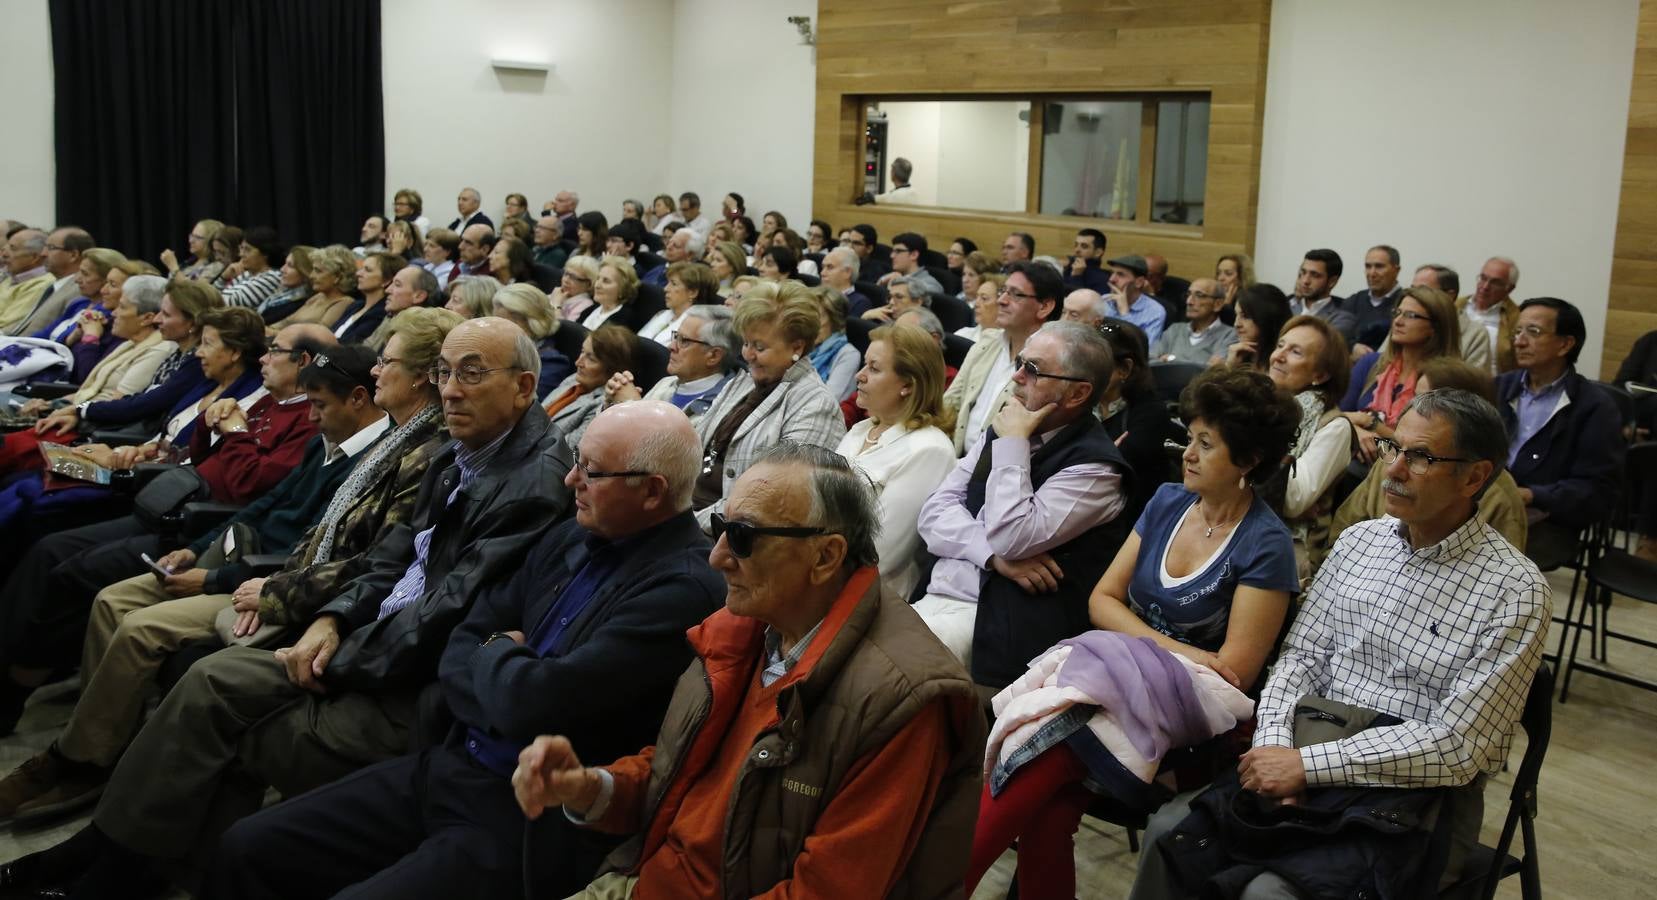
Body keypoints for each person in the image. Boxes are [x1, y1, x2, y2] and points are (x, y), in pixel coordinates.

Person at [0, 319, 576, 898]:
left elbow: (449, 612)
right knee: (202, 672)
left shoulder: (530, 484)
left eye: (471, 374)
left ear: (525, 387)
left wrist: (339, 651)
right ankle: (115, 850)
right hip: (367, 627)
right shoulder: (466, 446)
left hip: (411, 673)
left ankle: (119, 859)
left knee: (213, 684)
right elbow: (393, 556)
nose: (450, 388)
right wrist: (335, 617)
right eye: (444, 373)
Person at [207, 402, 726, 900]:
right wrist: (504, 670)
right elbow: (463, 639)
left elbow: (539, 703)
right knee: (247, 847)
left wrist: (496, 655)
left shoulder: (685, 589)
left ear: (653, 491)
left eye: (592, 471)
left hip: (524, 813)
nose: (571, 480)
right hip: (453, 760)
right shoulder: (572, 536)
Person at [511, 443, 986, 899]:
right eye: (720, 527)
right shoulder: (741, 630)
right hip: (644, 879)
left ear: (825, 557)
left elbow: (827, 890)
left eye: (744, 537)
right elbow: (676, 774)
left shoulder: (903, 699)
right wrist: (591, 788)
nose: (716, 556)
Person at [1131, 389, 1551, 900]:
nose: (1393, 469)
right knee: (1168, 837)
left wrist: (1307, 766)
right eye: (1394, 447)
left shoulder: (1515, 588)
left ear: (1475, 476)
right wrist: (1273, 744)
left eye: (1420, 457)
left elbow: (1459, 746)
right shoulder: (1360, 542)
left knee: (1269, 894)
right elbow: (1299, 659)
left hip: (1412, 794)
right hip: (1303, 745)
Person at [0, 345, 390, 824]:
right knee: (110, 599)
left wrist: (213, 577)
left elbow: (310, 555)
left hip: (261, 580)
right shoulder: (324, 442)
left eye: (320, 405)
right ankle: (100, 736)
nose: (311, 415)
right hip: (232, 558)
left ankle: (81, 761)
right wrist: (197, 547)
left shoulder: (371, 462)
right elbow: (263, 507)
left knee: (140, 628)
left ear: (357, 399)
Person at [968, 366, 1300, 900]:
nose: (1188, 453)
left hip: (1189, 719)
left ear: (1250, 461)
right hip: (1118, 683)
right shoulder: (1169, 500)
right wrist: (1176, 647)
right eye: (1190, 438)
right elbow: (1101, 601)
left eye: (1207, 444)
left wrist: (1142, 643)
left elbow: (1233, 673)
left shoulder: (1267, 544)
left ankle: (940, 884)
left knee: (1050, 739)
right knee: (1050, 809)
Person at [914, 321, 1130, 683]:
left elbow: (1012, 536)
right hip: (939, 592)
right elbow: (932, 515)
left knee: (885, 670)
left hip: (994, 624)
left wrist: (1013, 443)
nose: (1016, 376)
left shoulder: (1097, 469)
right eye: (1019, 362)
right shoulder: (1006, 426)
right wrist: (993, 558)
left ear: (1077, 394)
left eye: (1032, 369)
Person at [1332, 356, 1529, 552]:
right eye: (1414, 398)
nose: (1394, 470)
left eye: (1426, 400)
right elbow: (1339, 539)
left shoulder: (1501, 498)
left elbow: (1500, 568)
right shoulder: (1391, 460)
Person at [691, 283, 846, 525]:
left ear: (797, 347)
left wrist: (687, 523)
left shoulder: (816, 406)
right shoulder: (744, 382)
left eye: (759, 347)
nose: (747, 355)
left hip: (729, 538)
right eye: (746, 343)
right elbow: (697, 445)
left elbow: (769, 498)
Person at [1498, 297, 1623, 568]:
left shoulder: (1594, 407)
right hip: (1488, 507)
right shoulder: (1498, 389)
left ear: (1566, 344)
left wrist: (1533, 494)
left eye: (1533, 332)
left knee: (1480, 555)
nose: (1519, 341)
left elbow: (1597, 489)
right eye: (1517, 332)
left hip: (1548, 522)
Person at [1264, 315, 1355, 577]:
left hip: (1289, 541)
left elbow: (1293, 500)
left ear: (1321, 374)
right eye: (1280, 345)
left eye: (1295, 351)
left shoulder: (1334, 426)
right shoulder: (1261, 404)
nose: (1278, 356)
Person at [945, 261, 1062, 454]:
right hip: (956, 460)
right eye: (1003, 291)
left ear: (1044, 307)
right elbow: (950, 404)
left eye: (1015, 294)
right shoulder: (986, 343)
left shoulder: (1053, 366)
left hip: (1001, 470)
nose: (1002, 300)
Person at [1339, 285, 1461, 460]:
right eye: (1397, 312)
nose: (1398, 321)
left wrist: (1369, 422)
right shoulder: (1371, 363)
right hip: (1355, 459)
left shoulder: (1443, 381)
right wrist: (1356, 431)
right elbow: (1338, 415)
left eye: (1410, 316)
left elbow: (1424, 446)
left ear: (1435, 327)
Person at [1098, 320, 1181, 525]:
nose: (1084, 370)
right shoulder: (1079, 400)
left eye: (1096, 363)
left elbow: (1117, 472)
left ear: (1124, 368)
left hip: (1129, 519)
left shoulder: (1150, 413)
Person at [606, 304, 741, 426]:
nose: (671, 346)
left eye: (684, 341)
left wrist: (633, 405)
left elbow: (661, 450)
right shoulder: (666, 383)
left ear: (714, 356)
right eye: (676, 336)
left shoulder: (721, 410)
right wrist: (612, 404)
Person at [544, 324, 633, 452]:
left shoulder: (603, 407)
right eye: (582, 352)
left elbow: (566, 451)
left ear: (611, 368)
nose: (578, 362)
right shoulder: (574, 379)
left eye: (590, 358)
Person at [492, 282, 573, 397]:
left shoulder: (551, 362)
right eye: (495, 322)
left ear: (532, 323)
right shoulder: (496, 348)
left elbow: (525, 405)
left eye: (503, 324)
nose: (495, 330)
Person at [1412, 263, 1492, 368]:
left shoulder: (1475, 334)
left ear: (1449, 295)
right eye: (1412, 289)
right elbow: (1385, 360)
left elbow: (1474, 380)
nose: (1413, 296)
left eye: (1423, 291)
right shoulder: (1404, 319)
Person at [1458, 256, 1522, 373]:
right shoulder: (1455, 306)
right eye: (1483, 278)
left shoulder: (1517, 319)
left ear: (1510, 288)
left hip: (1493, 386)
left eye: (1495, 282)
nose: (1485, 286)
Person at [1152, 277, 1237, 364]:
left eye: (1199, 295)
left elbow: (1214, 372)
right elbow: (1150, 361)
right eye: (1188, 295)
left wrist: (1171, 359)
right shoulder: (1175, 329)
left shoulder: (1230, 335)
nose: (1189, 302)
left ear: (1217, 304)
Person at [333, 252, 406, 344]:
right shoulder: (356, 305)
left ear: (386, 280)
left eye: (367, 270)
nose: (358, 273)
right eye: (361, 269)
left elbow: (352, 345)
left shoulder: (382, 313)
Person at [639, 260, 718, 345]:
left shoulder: (695, 328)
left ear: (692, 293)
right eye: (668, 283)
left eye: (674, 284)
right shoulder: (662, 314)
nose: (665, 289)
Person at [1339, 244, 1403, 349]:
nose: (1372, 273)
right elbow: (1335, 335)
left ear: (1396, 270)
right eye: (1368, 266)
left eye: (1379, 266)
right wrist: (1352, 348)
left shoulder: (1405, 303)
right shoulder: (1354, 300)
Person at [1288, 248, 1356, 344]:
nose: (1305, 281)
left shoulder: (1342, 319)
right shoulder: (1286, 307)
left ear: (1332, 282)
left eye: (1315, 275)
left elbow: (1316, 347)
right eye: (1303, 273)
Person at [280, 244, 357, 329]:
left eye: (318, 271)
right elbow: (284, 323)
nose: (311, 276)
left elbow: (316, 334)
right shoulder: (317, 297)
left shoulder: (344, 303)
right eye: (313, 269)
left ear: (337, 277)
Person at [1223, 282, 1292, 373]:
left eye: (1245, 316)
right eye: (1236, 315)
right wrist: (1230, 367)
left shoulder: (1282, 361)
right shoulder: (1237, 353)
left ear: (1266, 317)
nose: (1236, 324)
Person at [810, 287, 861, 402]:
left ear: (834, 320)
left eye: (817, 317)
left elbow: (828, 400)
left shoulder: (848, 354)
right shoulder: (804, 345)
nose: (810, 323)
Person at [1103, 254, 1167, 344]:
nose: (1111, 279)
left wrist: (1124, 314)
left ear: (1139, 282)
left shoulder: (1155, 312)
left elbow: (1144, 352)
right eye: (1112, 273)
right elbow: (1098, 333)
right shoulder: (1104, 301)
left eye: (1120, 275)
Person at [218, 227, 287, 310]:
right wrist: (223, 277)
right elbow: (213, 297)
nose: (241, 254)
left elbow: (225, 304)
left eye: (247, 250)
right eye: (241, 248)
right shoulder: (247, 274)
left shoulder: (271, 278)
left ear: (265, 253)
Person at [0, 230, 53, 333]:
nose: (4, 254)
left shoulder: (42, 285)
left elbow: (6, 324)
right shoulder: (11, 277)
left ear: (34, 257)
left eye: (13, 248)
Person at [580, 255, 643, 331]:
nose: (597, 285)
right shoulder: (590, 309)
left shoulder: (624, 321)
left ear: (622, 289)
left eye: (606, 281)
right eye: (598, 278)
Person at [160, 219, 226, 283]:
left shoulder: (217, 266)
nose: (191, 241)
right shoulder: (188, 263)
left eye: (197, 237)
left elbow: (193, 290)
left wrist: (173, 266)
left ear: (212, 242)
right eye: (192, 236)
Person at [820, 245, 871, 316]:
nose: (822, 273)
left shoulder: (859, 303)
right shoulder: (817, 295)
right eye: (823, 267)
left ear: (847, 272)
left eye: (830, 267)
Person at [1063, 227, 1111, 293]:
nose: (1077, 250)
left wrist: (1076, 277)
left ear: (1098, 252)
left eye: (1084, 246)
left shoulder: (1103, 279)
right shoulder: (1069, 267)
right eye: (1076, 245)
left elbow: (1079, 301)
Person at [555, 256, 600, 322]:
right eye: (566, 274)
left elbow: (565, 329)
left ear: (589, 284)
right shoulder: (558, 292)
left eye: (573, 277)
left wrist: (556, 305)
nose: (566, 280)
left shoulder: (586, 305)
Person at [1213, 252, 1254, 325]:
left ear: (1242, 277)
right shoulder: (1213, 297)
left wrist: (1226, 308)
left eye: (1228, 273)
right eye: (1218, 273)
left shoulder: (1250, 303)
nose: (1220, 278)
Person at [420, 227, 461, 291]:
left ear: (447, 252)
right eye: (426, 244)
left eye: (432, 246)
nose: (425, 249)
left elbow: (431, 293)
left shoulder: (449, 273)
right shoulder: (428, 267)